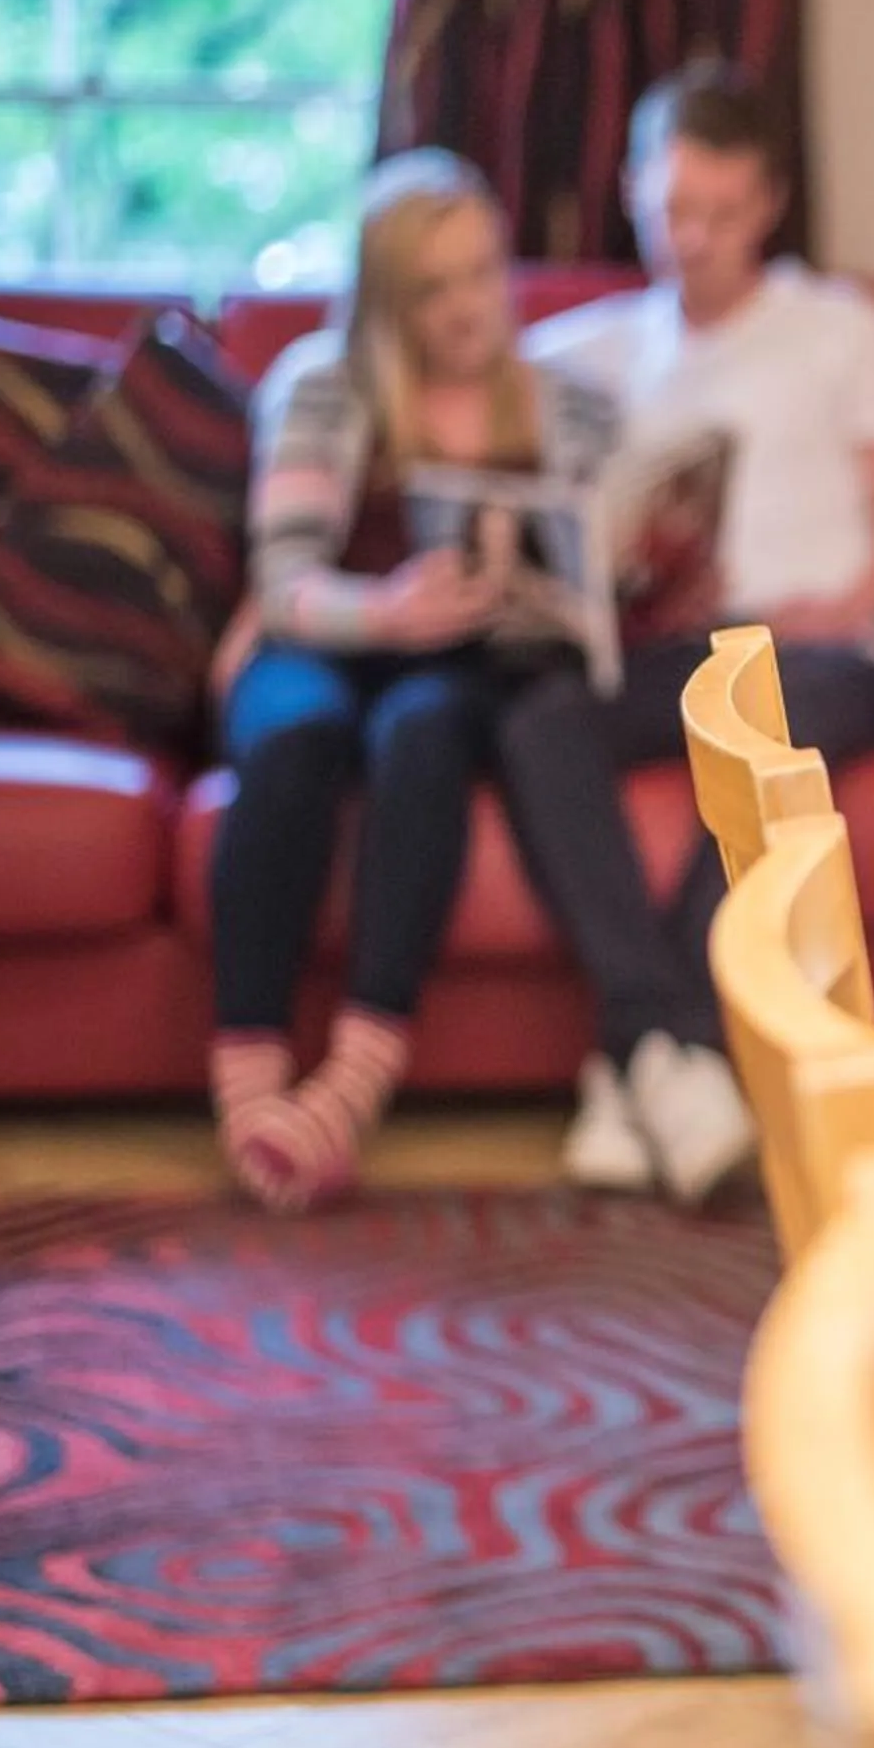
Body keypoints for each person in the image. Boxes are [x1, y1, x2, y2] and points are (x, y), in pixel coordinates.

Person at [508, 63, 874, 1203]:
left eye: (719, 212)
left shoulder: (840, 330)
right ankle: (666, 1052)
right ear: (633, 189)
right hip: (674, 651)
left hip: (824, 652)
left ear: (767, 207)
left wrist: (837, 607)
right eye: (670, 209)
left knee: (757, 742)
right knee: (541, 720)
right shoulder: (591, 352)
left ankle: (649, 1058)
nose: (690, 236)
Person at [211, 151, 619, 1212]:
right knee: (297, 738)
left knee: (426, 732)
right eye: (434, 287)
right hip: (323, 640)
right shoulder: (320, 383)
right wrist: (385, 607)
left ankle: (356, 1076)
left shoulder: (569, 403)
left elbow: (594, 573)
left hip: (461, 667)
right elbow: (284, 582)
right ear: (388, 299)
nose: (469, 306)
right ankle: (248, 1077)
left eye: (483, 273)